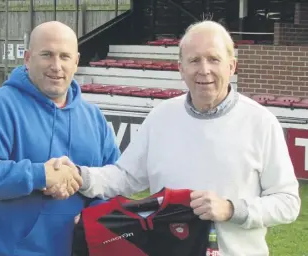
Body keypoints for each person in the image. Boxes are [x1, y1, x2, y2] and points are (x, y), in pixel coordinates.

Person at [54, 20, 301, 255]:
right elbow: (125, 177)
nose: (204, 70)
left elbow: (287, 202)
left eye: (214, 59)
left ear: (232, 66)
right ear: (181, 68)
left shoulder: (261, 122)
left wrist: (232, 209)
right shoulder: (161, 116)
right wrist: (80, 175)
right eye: (194, 60)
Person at [0, 21, 120, 256]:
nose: (56, 66)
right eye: (47, 55)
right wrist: (40, 176)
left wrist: (94, 211)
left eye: (65, 56)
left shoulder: (94, 118)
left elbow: (115, 180)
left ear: (77, 62)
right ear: (28, 58)